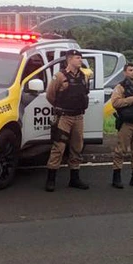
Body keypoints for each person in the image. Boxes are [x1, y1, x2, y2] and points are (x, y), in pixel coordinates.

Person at [44, 49, 90, 192]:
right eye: (77, 58)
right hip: (64, 117)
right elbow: (50, 96)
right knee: (59, 147)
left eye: (80, 58)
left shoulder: (84, 76)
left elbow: (85, 93)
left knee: (77, 147)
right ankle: (51, 179)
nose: (80, 60)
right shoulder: (59, 76)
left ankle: (74, 178)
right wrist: (61, 108)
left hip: (78, 117)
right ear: (69, 59)